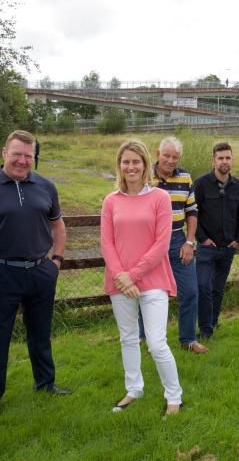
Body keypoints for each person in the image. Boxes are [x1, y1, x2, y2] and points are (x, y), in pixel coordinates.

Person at [0, 130, 70, 418]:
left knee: (41, 333)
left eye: (28, 155)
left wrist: (56, 260)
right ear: (4, 153)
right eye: (17, 154)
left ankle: (45, 383)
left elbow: (58, 225)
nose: (22, 161)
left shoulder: (46, 186)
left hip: (40, 271)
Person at [102, 140, 183, 415]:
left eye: (136, 161)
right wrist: (122, 277)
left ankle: (174, 396)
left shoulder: (160, 198)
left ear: (146, 164)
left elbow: (162, 244)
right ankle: (134, 389)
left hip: (153, 281)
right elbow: (107, 243)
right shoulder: (111, 201)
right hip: (120, 283)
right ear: (119, 165)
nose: (131, 167)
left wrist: (133, 276)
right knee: (128, 339)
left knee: (157, 343)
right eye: (125, 161)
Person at [148, 136, 209, 353]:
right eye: (166, 156)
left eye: (175, 157)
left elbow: (192, 212)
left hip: (177, 240)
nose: (170, 161)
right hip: (150, 242)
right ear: (158, 154)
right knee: (148, 293)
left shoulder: (185, 177)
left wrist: (189, 242)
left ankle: (188, 340)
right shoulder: (145, 176)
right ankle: (144, 338)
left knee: (190, 291)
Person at [193, 142, 239, 339]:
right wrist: (202, 238)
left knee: (218, 289)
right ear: (213, 161)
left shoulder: (238, 186)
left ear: (232, 160)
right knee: (203, 287)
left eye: (228, 158)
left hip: (228, 248)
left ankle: (213, 323)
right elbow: (192, 214)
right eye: (221, 158)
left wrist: (238, 240)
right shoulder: (201, 184)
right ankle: (205, 329)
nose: (224, 161)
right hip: (207, 247)